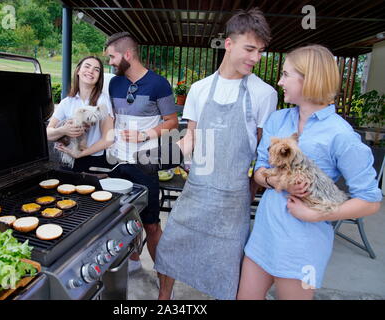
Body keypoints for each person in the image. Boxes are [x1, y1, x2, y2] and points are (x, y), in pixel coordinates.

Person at [237, 44, 382, 300]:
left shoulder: (341, 135)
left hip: (303, 245)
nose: (279, 81)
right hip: (264, 234)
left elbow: (370, 201)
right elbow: (258, 171)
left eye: (286, 74)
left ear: (309, 79)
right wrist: (276, 180)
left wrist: (314, 214)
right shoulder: (277, 120)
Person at [153, 8, 277, 300]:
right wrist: (162, 156)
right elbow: (191, 138)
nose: (256, 58)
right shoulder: (200, 89)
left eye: (260, 51)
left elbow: (261, 153)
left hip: (233, 198)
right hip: (196, 190)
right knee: (171, 247)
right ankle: (163, 300)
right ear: (229, 44)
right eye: (250, 49)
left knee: (227, 268)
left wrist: (249, 191)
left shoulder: (264, 94)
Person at [104, 32, 179, 273]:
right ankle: (133, 261)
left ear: (127, 55)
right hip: (116, 163)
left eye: (112, 57)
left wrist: (144, 135)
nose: (110, 62)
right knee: (120, 220)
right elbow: (111, 119)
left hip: (145, 165)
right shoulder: (114, 83)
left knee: (151, 225)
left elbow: (172, 122)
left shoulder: (158, 83)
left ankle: (163, 277)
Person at [46, 56, 114, 172]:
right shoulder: (66, 102)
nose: (91, 71)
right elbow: (48, 134)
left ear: (99, 77)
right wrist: (64, 130)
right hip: (67, 161)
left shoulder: (102, 100)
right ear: (78, 71)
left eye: (96, 69)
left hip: (94, 160)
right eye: (87, 66)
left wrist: (79, 154)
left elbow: (108, 139)